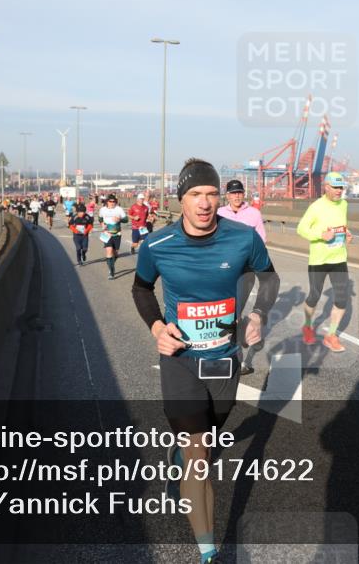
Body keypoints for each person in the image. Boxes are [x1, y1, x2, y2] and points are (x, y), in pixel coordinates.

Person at [131, 158, 279, 564]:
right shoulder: (158, 245)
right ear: (181, 199)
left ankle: (178, 458)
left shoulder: (243, 238)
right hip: (180, 360)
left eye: (212, 193)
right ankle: (209, 550)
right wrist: (158, 329)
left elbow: (269, 277)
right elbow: (142, 289)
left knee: (206, 443)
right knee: (199, 452)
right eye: (196, 194)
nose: (205, 202)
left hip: (224, 359)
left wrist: (259, 314)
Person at [296, 172, 352, 353]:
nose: (339, 191)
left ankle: (331, 335)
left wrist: (346, 234)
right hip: (319, 260)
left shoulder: (344, 204)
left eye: (341, 187)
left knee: (343, 298)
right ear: (326, 187)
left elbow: (340, 224)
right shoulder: (316, 207)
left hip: (339, 258)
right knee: (314, 296)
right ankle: (307, 326)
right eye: (335, 187)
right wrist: (321, 235)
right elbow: (301, 229)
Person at [218, 179, 267, 375]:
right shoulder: (219, 213)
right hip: (222, 271)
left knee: (235, 312)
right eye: (233, 193)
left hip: (245, 271)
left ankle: (236, 358)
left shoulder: (254, 213)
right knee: (224, 312)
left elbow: (261, 240)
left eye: (239, 192)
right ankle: (231, 346)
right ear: (227, 195)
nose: (237, 196)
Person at [98, 194, 128, 279]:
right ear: (107, 202)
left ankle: (111, 263)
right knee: (109, 251)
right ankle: (111, 272)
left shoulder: (119, 209)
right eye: (110, 201)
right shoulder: (102, 210)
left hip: (117, 234)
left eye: (114, 201)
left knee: (115, 253)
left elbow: (126, 220)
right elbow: (100, 218)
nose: (112, 203)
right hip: (107, 234)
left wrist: (120, 219)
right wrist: (102, 224)